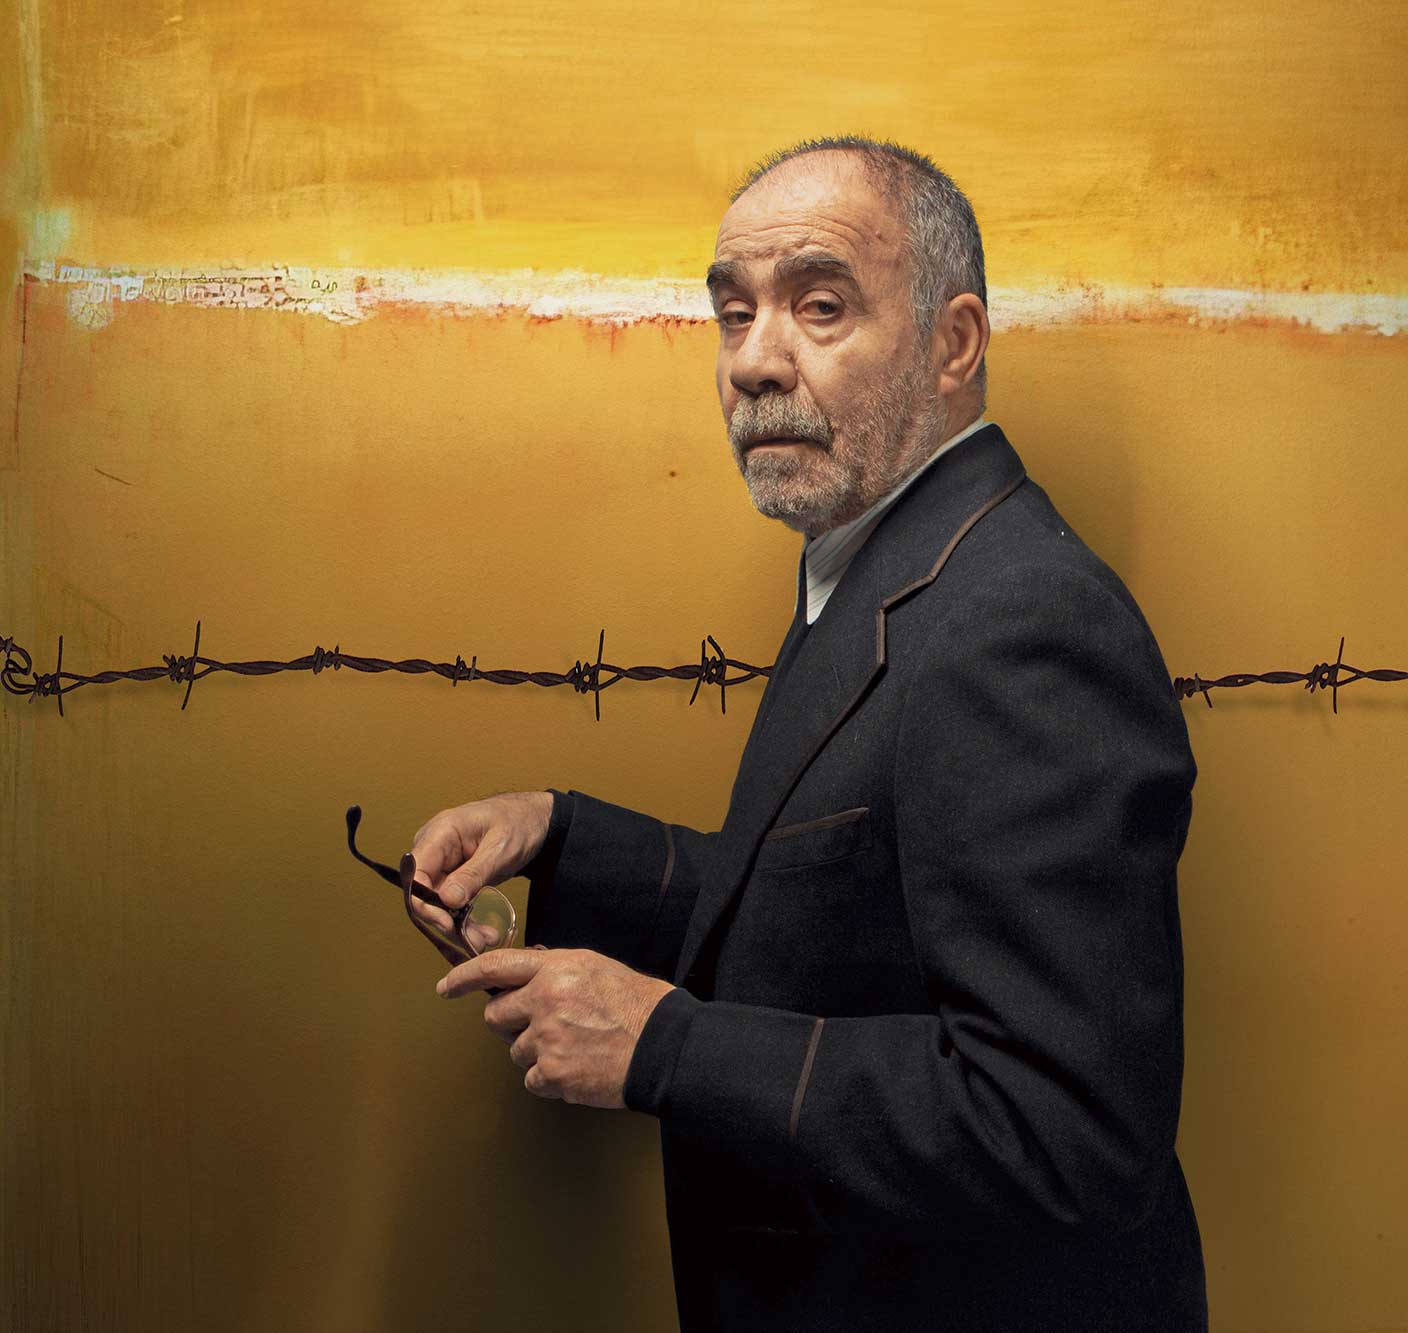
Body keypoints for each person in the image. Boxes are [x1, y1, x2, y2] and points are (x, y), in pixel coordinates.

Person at [410, 136, 1206, 1330]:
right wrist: (561, 834)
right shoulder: (884, 565)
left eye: (819, 306)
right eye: (732, 315)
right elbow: (832, 901)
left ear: (952, 343)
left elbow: (1063, 1130)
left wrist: (662, 1044)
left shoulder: (1019, 622)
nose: (752, 362)